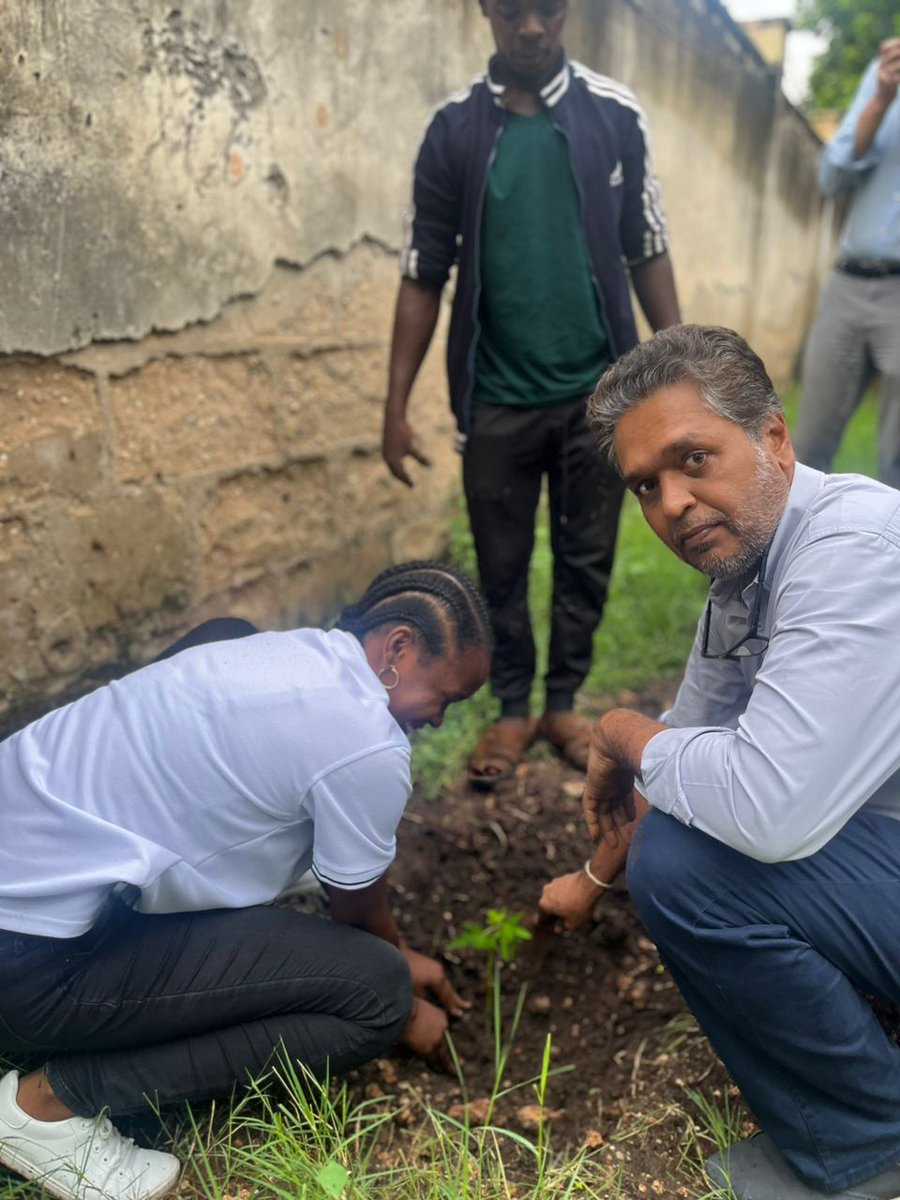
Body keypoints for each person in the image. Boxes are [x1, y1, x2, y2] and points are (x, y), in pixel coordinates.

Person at [539, 325, 900, 1200]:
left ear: (774, 438)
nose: (672, 503)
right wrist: (593, 874)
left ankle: (873, 1150)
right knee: (682, 835)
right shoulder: (746, 577)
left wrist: (620, 731)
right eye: (647, 486)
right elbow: (692, 739)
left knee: (690, 867)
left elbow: (765, 808)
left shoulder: (853, 554)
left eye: (693, 459)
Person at [0, 560, 491, 1200]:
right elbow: (357, 912)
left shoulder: (260, 649)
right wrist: (404, 992)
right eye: (446, 697)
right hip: (28, 972)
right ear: (397, 646)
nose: (439, 721)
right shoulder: (367, 742)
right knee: (376, 991)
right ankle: (45, 1110)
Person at [382, 0, 680, 787]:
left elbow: (646, 243)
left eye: (547, 9)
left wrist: (679, 368)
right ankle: (512, 709)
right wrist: (395, 406)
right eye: (512, 11)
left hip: (598, 395)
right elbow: (422, 270)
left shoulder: (613, 115)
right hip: (496, 399)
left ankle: (561, 703)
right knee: (501, 564)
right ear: (487, 11)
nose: (532, 29)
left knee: (588, 557)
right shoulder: (453, 130)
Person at [794, 36, 900, 487]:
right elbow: (832, 178)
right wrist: (880, 99)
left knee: (897, 459)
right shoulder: (882, 78)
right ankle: (794, 554)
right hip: (848, 284)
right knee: (808, 449)